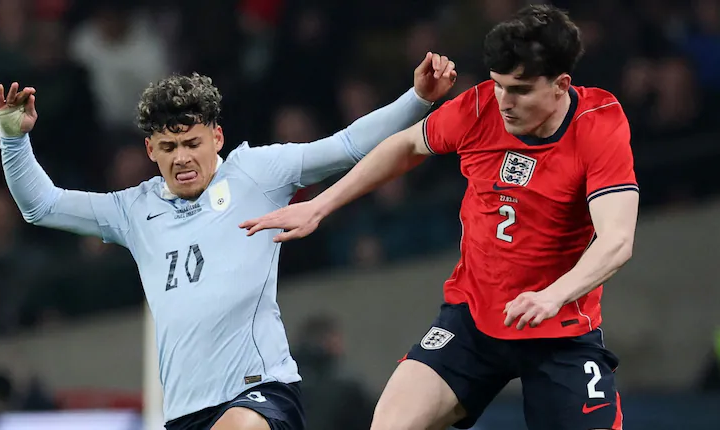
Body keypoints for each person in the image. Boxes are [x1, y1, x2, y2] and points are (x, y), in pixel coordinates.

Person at [0, 53, 457, 430]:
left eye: (192, 143)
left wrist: (417, 98)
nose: (182, 158)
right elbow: (42, 205)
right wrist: (13, 139)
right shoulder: (133, 210)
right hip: (184, 413)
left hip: (260, 393)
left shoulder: (257, 172)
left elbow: (349, 145)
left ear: (217, 137)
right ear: (150, 150)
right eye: (169, 147)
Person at [241, 5, 638, 430]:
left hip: (560, 330)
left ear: (561, 85)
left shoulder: (597, 123)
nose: (504, 102)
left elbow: (616, 241)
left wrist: (551, 296)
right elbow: (406, 146)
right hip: (473, 321)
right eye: (498, 84)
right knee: (389, 424)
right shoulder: (480, 107)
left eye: (520, 90)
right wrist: (321, 205)